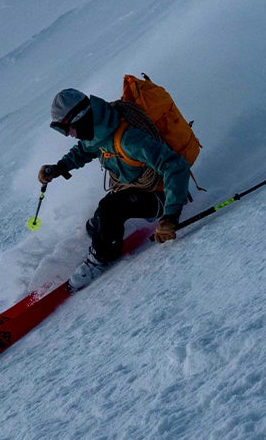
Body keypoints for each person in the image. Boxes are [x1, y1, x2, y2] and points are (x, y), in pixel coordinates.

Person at [40, 87, 192, 289]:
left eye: (66, 129)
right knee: (99, 220)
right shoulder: (99, 127)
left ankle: (102, 258)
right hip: (134, 187)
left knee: (110, 209)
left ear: (80, 118)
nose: (68, 135)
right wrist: (59, 168)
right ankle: (105, 231)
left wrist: (171, 217)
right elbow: (84, 150)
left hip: (159, 195)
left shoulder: (130, 140)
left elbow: (176, 165)